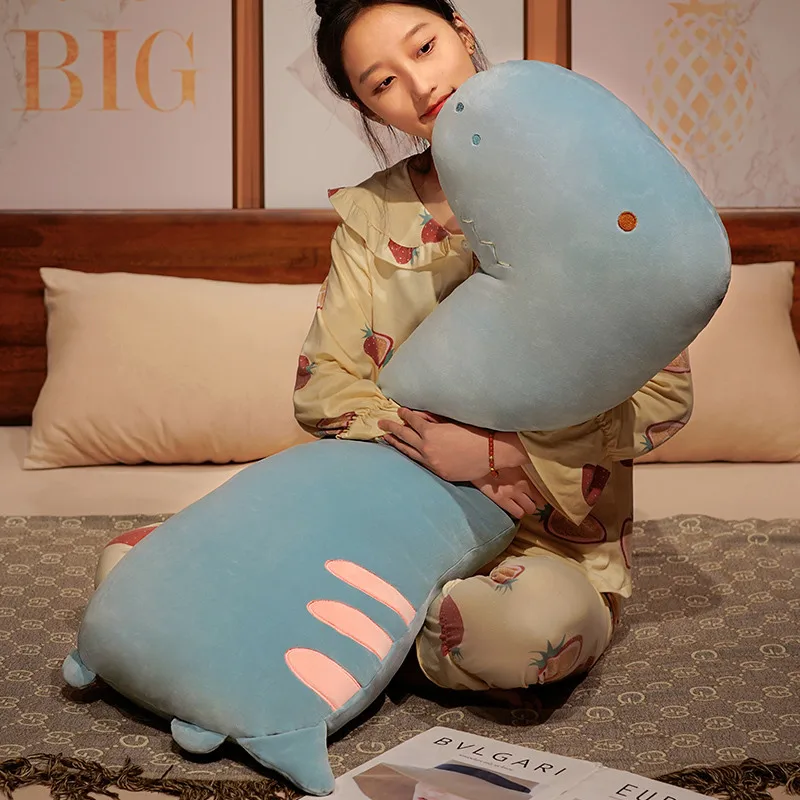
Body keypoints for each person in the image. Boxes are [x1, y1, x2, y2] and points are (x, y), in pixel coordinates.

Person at [294, 0, 693, 692]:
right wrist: (437, 449)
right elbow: (323, 386)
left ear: (462, 32)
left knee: (528, 633)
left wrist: (502, 453)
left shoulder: (583, 177)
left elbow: (664, 394)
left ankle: (349, 630)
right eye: (382, 83)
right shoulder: (371, 215)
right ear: (364, 106)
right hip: (402, 509)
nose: (419, 85)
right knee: (239, 553)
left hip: (549, 536)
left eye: (424, 48)